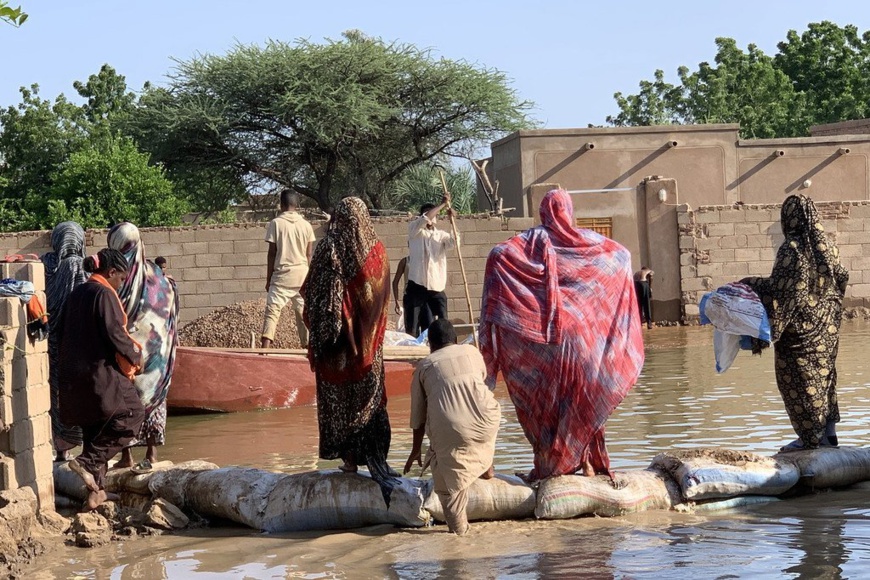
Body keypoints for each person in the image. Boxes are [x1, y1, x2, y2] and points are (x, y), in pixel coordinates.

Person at [479, 188, 644, 481]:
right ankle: (588, 466)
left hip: (544, 347)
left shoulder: (524, 246)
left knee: (544, 406)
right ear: (570, 211)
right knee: (584, 402)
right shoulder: (592, 245)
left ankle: (547, 467)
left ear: (543, 213)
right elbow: (622, 255)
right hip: (587, 345)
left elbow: (498, 254)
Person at [302, 197, 399, 503]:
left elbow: (321, 297)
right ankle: (377, 459)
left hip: (338, 352)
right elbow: (380, 299)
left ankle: (350, 461)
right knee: (369, 403)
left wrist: (326, 333)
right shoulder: (378, 250)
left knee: (340, 404)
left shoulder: (330, 247)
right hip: (372, 350)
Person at [741, 194, 849, 451]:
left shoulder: (792, 249)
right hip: (826, 332)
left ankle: (810, 439)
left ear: (787, 219)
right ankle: (829, 434)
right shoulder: (829, 248)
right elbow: (841, 280)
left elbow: (783, 292)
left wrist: (748, 285)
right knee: (824, 379)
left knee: (800, 381)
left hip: (800, 334)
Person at [56, 248, 145, 510]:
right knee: (132, 414)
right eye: (120, 279)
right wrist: (135, 356)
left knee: (96, 431)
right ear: (111, 272)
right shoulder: (104, 293)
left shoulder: (76, 294)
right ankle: (86, 463)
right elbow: (116, 334)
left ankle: (96, 493)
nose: (120, 285)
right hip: (98, 376)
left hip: (74, 379)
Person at [404, 319, 500, 536]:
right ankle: (487, 467)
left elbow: (418, 417)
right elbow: (482, 381)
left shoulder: (425, 366)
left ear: (430, 344)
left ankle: (459, 536)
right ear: (455, 340)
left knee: (448, 486)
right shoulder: (472, 351)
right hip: (488, 422)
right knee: (479, 413)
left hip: (456, 430)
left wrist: (415, 450)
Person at [107, 222, 179, 471]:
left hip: (128, 357)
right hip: (157, 357)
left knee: (124, 402)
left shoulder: (116, 279)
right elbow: (171, 315)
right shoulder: (159, 277)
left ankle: (126, 456)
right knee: (155, 400)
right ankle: (152, 453)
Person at [41, 222, 89, 461]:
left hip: (51, 343)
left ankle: (61, 450)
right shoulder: (82, 267)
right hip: (77, 345)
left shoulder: (45, 266)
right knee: (81, 394)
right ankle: (87, 450)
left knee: (56, 395)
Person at [262, 190, 316, 349]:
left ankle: (264, 351)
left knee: (272, 312)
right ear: (297, 205)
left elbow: (272, 253)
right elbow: (308, 255)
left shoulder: (276, 223)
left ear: (282, 204)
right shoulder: (306, 225)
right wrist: (310, 279)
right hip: (302, 277)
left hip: (281, 277)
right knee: (303, 314)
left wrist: (268, 279)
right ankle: (309, 350)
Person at [405, 198, 456, 337]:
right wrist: (443, 205)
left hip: (436, 285)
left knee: (442, 318)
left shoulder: (441, 235)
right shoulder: (415, 230)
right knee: (413, 325)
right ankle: (411, 348)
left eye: (433, 215)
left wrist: (452, 222)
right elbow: (425, 218)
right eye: (428, 214)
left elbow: (454, 242)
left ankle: (445, 343)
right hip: (417, 283)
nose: (431, 218)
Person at [392, 255, 431, 336]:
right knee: (412, 330)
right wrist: (396, 301)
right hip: (411, 297)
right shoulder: (405, 261)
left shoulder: (426, 259)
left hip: (426, 297)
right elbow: (395, 282)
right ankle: (412, 347)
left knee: (428, 330)